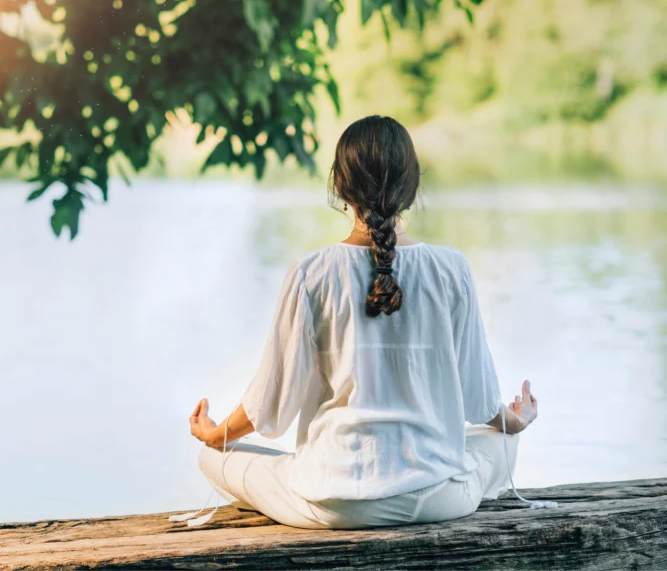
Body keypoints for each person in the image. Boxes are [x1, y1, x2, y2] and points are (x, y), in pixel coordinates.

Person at [187, 115, 539, 530]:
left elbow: (272, 403)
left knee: (211, 458)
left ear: (340, 186)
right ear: (412, 188)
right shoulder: (451, 267)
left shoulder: (310, 271)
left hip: (332, 504)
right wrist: (514, 422)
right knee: (500, 443)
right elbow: (480, 402)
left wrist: (217, 435)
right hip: (436, 497)